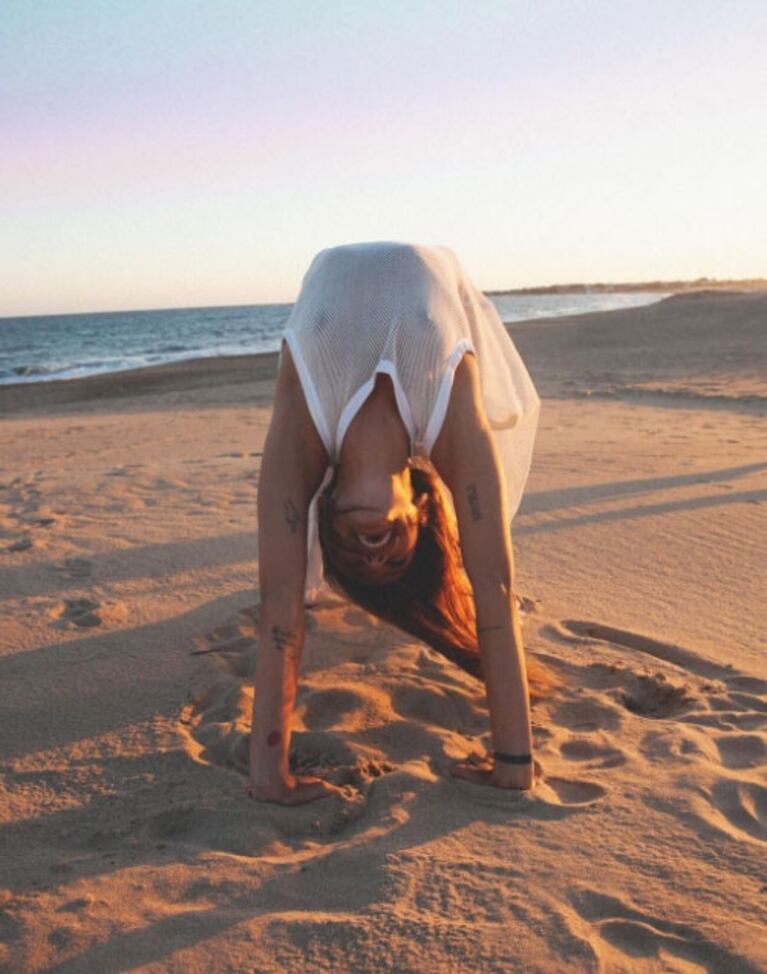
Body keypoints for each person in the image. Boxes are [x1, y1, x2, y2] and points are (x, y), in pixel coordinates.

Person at [249, 242, 544, 806]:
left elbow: (279, 605)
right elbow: (495, 590)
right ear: (425, 510)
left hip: (326, 275)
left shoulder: (302, 436)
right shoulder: (451, 423)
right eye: (395, 557)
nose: (372, 553)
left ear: (325, 516)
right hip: (432, 273)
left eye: (354, 561)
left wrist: (269, 774)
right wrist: (513, 762)